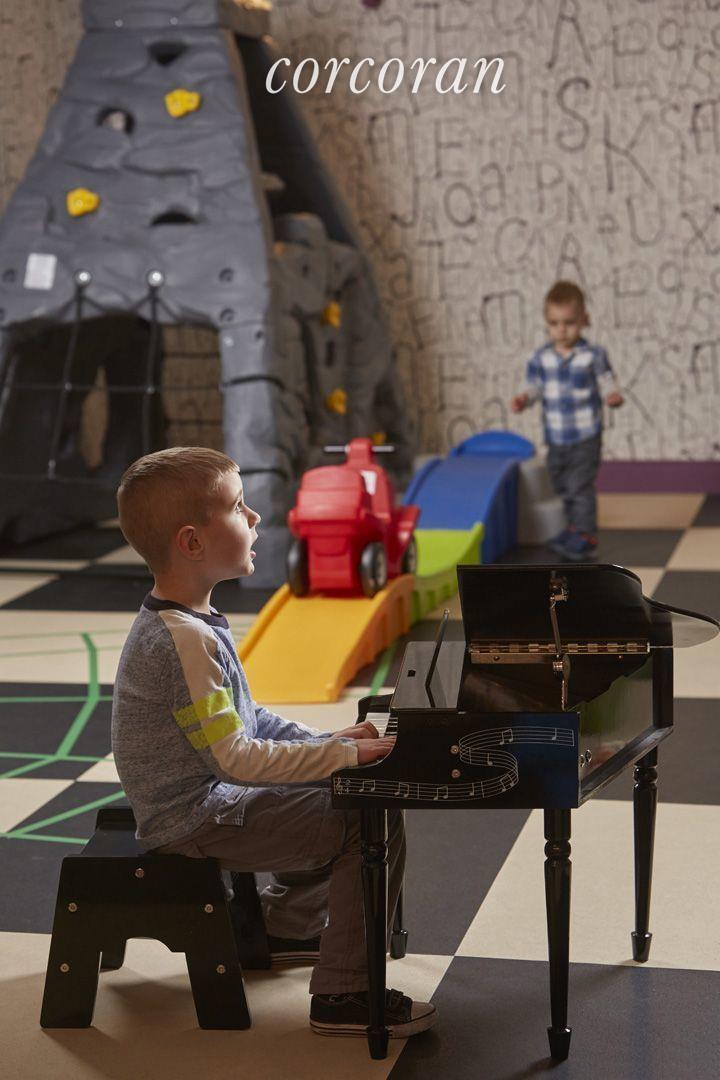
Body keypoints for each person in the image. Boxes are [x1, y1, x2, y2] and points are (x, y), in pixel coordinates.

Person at [111, 446, 437, 1039]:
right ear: (192, 542)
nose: (256, 517)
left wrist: (327, 741)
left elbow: (248, 718)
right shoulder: (184, 640)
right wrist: (340, 758)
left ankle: (284, 928)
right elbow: (237, 758)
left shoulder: (191, 621)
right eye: (239, 507)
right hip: (193, 819)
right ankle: (345, 992)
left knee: (343, 789)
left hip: (202, 801)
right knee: (367, 818)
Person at [510, 281, 624, 561]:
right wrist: (524, 398)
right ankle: (572, 529)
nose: (561, 330)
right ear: (547, 323)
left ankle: (586, 536)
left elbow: (606, 380)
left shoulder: (592, 355)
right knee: (560, 486)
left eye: (569, 323)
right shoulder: (540, 358)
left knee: (579, 487)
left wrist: (611, 395)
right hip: (556, 437)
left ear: (584, 320)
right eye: (554, 323)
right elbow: (535, 387)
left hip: (586, 435)